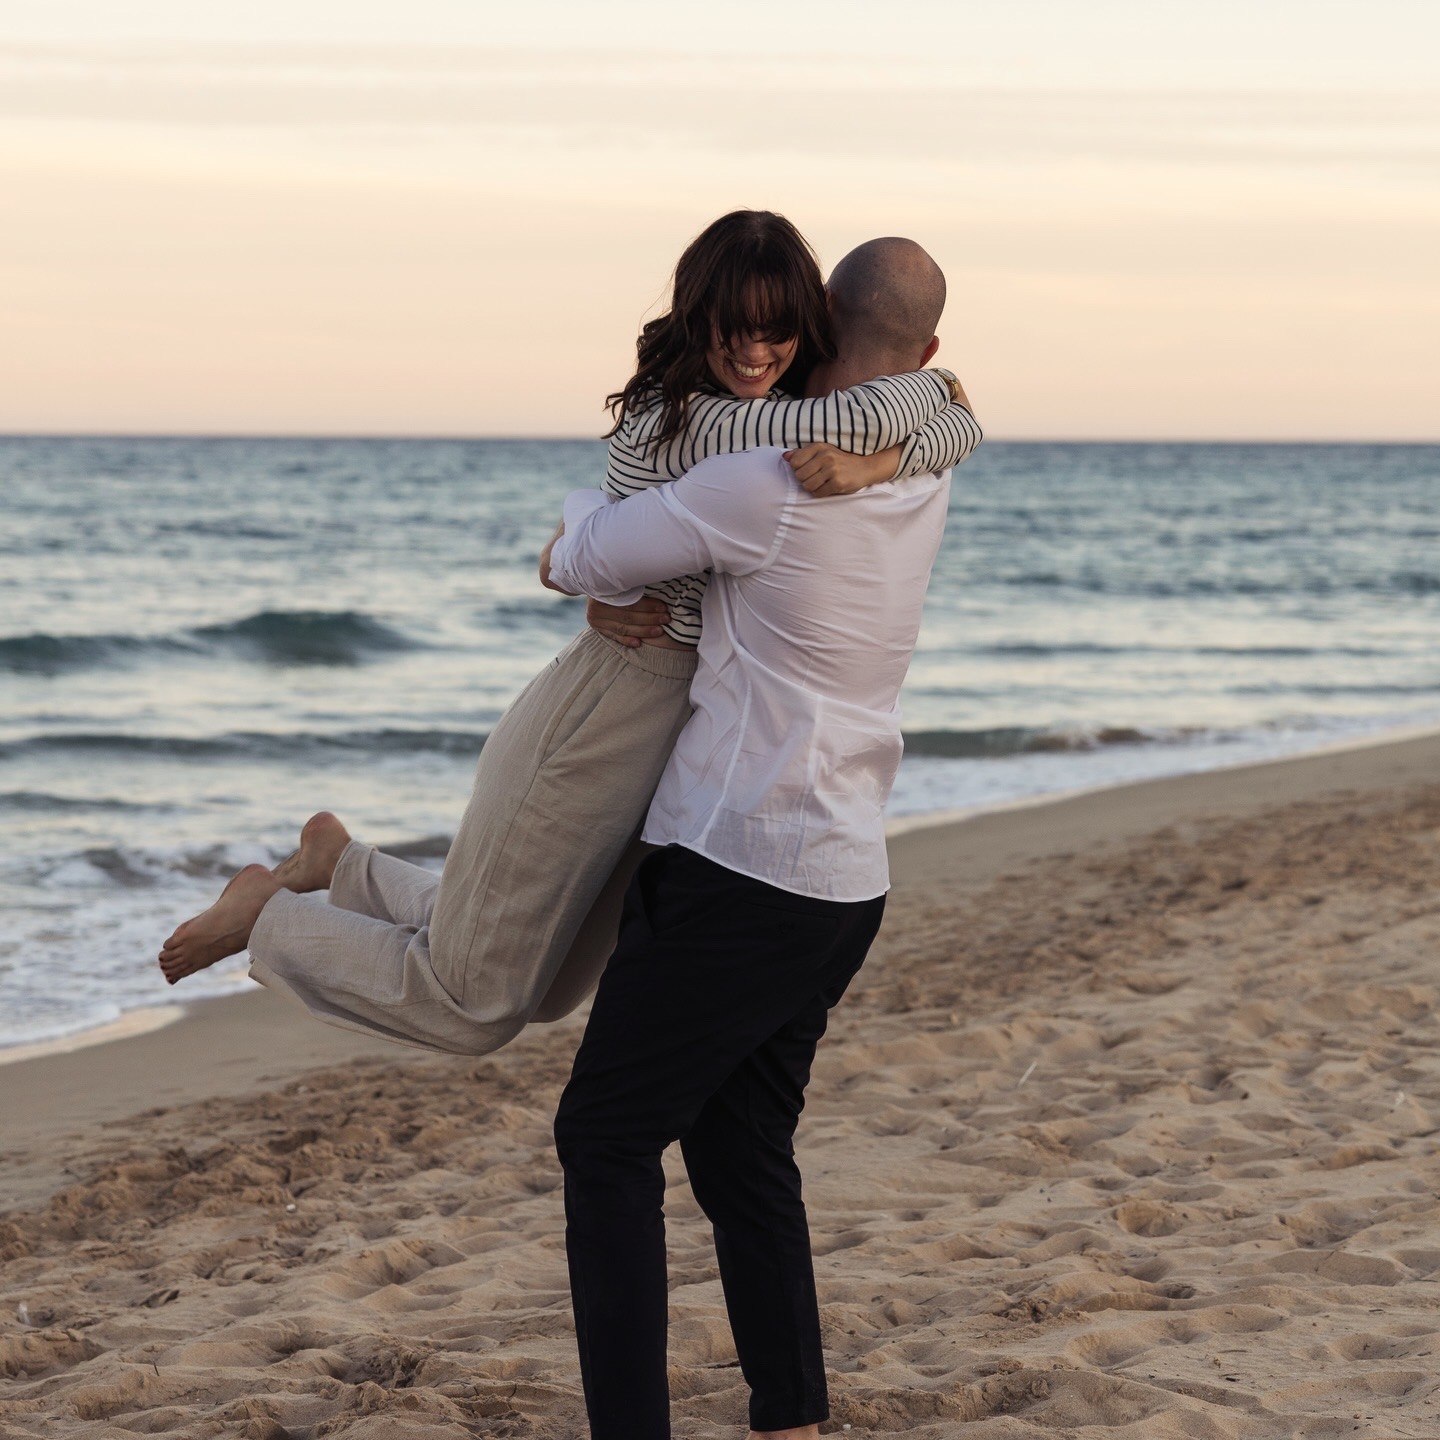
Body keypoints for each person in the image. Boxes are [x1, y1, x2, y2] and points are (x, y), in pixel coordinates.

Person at [156, 211, 980, 1063]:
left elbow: (916, 428)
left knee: (544, 985)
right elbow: (885, 425)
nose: (757, 351)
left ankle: (343, 864)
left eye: (777, 330)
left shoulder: (765, 409)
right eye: (737, 328)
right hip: (615, 698)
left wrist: (899, 447)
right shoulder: (711, 424)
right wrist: (931, 403)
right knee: (475, 1000)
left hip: (677, 718)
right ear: (698, 319)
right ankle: (267, 916)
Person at [544, 235, 976, 1440]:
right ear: (925, 354)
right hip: (841, 875)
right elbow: (949, 412)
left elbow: (590, 550)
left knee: (605, 1140)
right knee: (742, 1156)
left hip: (736, 863)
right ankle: (791, 1416)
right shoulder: (920, 469)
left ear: (815, 330)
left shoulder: (764, 478)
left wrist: (569, 543)